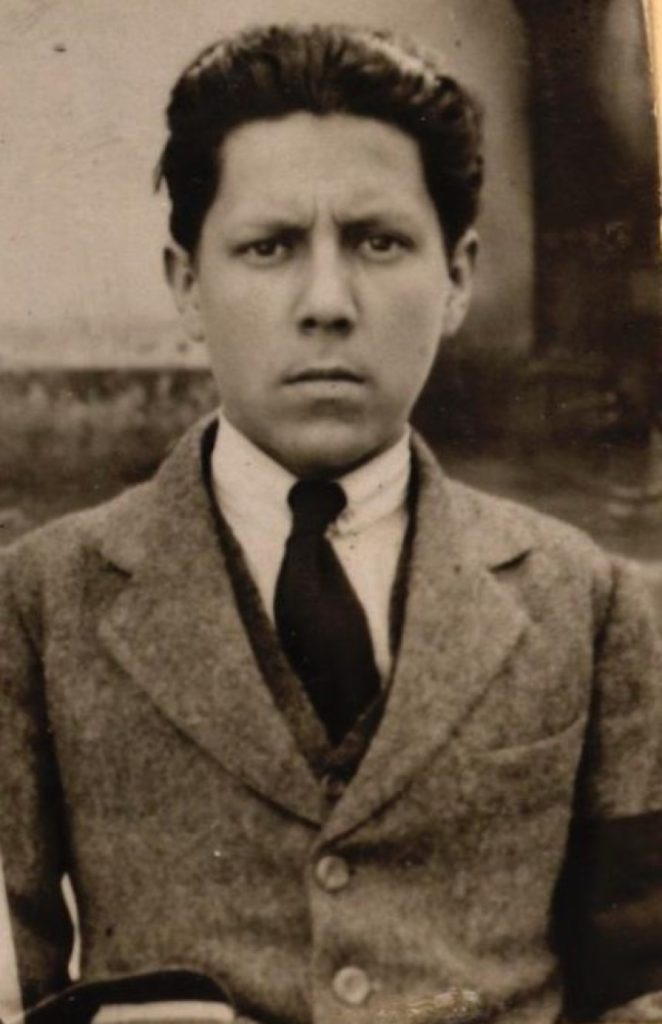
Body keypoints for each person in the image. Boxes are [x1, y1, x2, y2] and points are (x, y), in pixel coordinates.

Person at [1, 22, 661, 1024]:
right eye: (268, 247)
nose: (326, 302)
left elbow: (643, 984)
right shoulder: (39, 604)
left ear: (456, 277)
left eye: (377, 242)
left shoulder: (591, 602)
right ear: (187, 283)